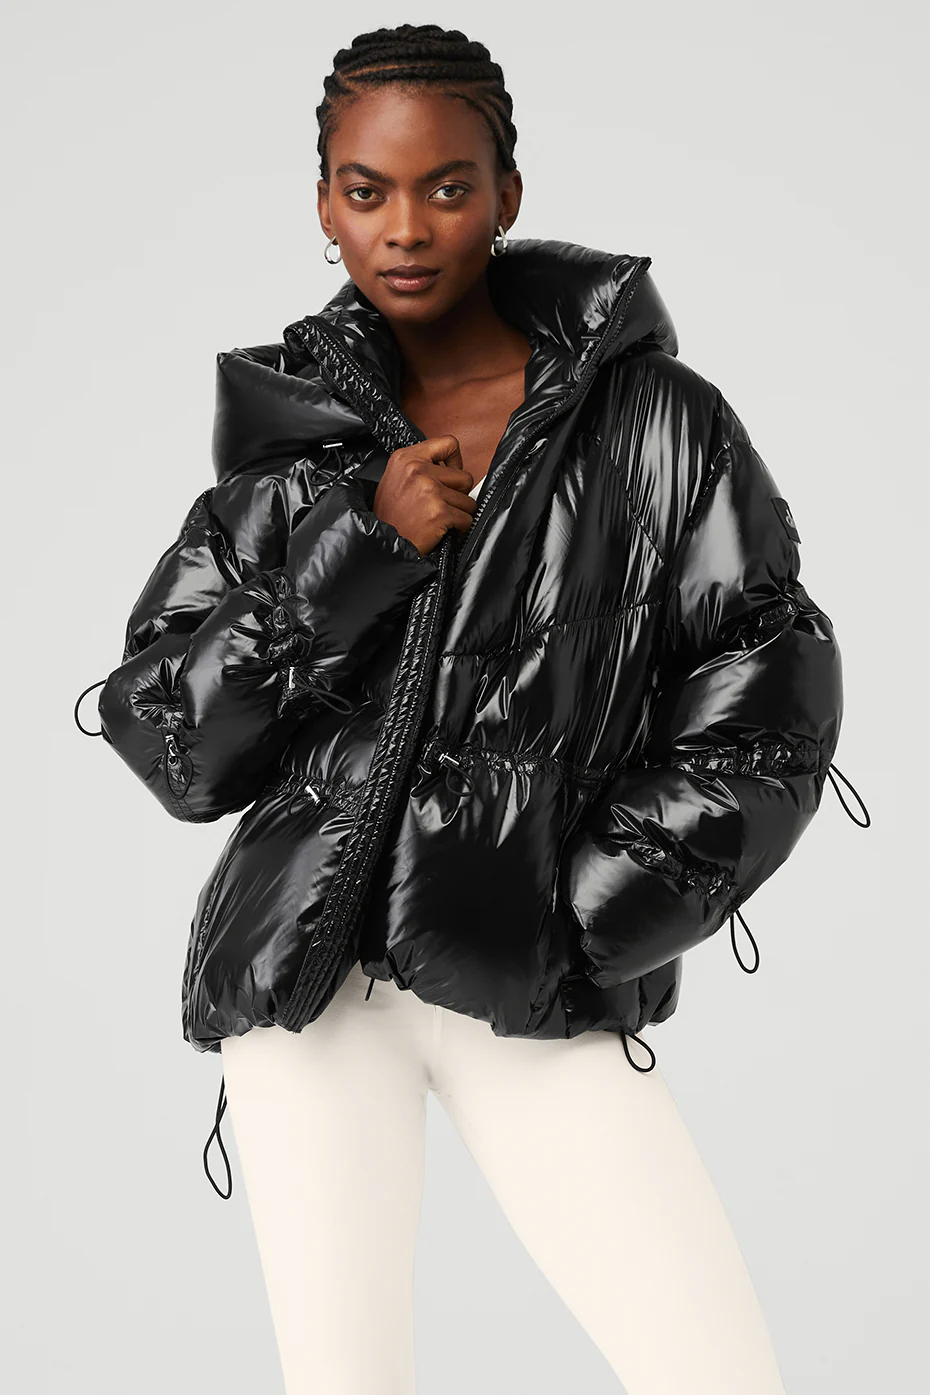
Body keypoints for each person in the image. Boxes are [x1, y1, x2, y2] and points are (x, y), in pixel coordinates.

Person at [74, 21, 871, 1395]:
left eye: (446, 186)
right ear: (323, 204)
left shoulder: (657, 422)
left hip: (533, 970)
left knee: (715, 1369)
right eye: (366, 189)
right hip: (308, 992)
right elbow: (168, 740)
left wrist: (594, 912)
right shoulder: (293, 447)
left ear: (506, 193)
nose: (404, 228)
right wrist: (354, 558)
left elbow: (769, 685)